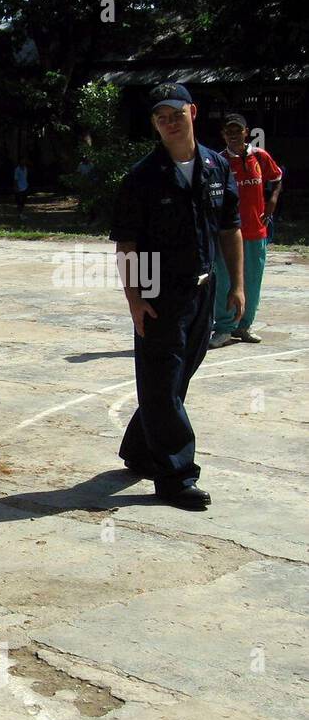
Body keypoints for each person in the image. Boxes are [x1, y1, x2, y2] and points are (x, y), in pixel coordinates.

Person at [109, 82, 242, 511]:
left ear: (193, 112)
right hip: (157, 291)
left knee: (174, 378)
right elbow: (127, 245)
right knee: (164, 382)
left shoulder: (216, 166)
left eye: (175, 113)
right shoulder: (142, 177)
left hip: (204, 289)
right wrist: (135, 299)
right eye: (160, 117)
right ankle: (175, 476)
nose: (168, 122)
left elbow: (229, 228)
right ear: (154, 123)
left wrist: (236, 285)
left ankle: (138, 448)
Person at [209, 113, 282, 347]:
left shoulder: (260, 157)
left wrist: (271, 201)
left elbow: (277, 177)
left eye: (237, 130)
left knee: (252, 281)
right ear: (223, 134)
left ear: (246, 132)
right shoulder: (218, 161)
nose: (232, 134)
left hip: (255, 231)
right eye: (228, 130)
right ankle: (223, 328)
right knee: (224, 281)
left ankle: (244, 326)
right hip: (228, 235)